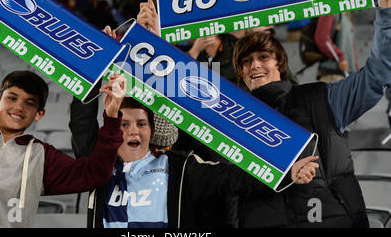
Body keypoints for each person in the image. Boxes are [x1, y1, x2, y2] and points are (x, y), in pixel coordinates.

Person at [230, 0, 391, 227]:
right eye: (245, 62)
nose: (254, 66)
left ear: (280, 63)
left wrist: (386, 8)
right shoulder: (230, 120)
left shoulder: (320, 98)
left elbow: (378, 73)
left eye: (262, 57)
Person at [0, 39, 126, 227]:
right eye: (12, 98)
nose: (19, 107)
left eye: (29, 103)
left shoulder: (42, 157)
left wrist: (111, 117)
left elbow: (95, 173)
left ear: (40, 114)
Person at [86, 97, 319, 228]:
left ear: (152, 130)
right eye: (124, 124)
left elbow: (232, 179)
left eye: (141, 124)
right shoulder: (97, 166)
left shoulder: (178, 166)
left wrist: (285, 171)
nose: (133, 131)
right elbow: (81, 122)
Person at [313, 13, 359, 83]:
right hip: (332, 74)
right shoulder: (330, 12)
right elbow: (322, 38)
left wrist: (356, 69)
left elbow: (351, 48)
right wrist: (340, 57)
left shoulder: (345, 17)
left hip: (347, 76)